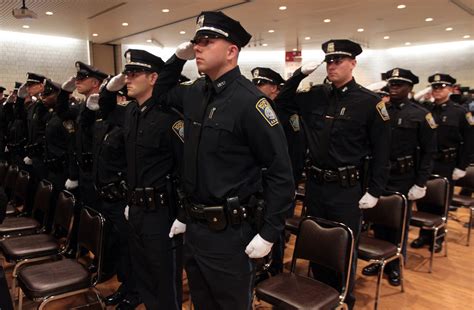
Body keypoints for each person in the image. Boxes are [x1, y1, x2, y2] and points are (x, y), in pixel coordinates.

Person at [154, 11, 294, 310]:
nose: (197, 48)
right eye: (196, 42)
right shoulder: (195, 93)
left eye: (206, 41)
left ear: (231, 51)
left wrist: (270, 232)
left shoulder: (251, 103)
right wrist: (177, 59)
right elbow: (160, 94)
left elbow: (280, 173)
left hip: (230, 233)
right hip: (194, 225)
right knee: (202, 303)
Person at [274, 39, 391, 309]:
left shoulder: (369, 102)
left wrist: (375, 190)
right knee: (316, 246)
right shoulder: (315, 96)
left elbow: (383, 151)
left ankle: (343, 299)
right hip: (315, 184)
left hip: (346, 188)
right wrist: (298, 75)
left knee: (343, 247)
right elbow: (282, 102)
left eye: (338, 60)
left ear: (353, 64)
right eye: (329, 60)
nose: (332, 65)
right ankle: (319, 297)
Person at [104, 49, 184, 309]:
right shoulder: (132, 113)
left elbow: (186, 170)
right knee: (144, 277)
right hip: (136, 208)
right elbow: (103, 108)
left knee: (163, 281)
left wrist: (183, 214)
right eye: (126, 73)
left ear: (153, 78)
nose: (128, 78)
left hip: (162, 212)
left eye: (134, 73)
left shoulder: (171, 119)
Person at [362, 68, 436, 286]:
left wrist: (421, 182)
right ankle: (379, 259)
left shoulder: (421, 114)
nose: (393, 88)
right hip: (380, 176)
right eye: (392, 84)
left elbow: (429, 151)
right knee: (378, 222)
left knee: (398, 225)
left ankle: (395, 265)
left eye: (399, 84)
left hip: (404, 176)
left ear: (410, 88)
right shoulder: (381, 111)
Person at [411, 73, 473, 252]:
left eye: (442, 87)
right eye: (435, 87)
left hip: (446, 163)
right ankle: (424, 235)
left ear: (451, 89)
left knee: (441, 203)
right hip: (426, 163)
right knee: (424, 201)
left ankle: (438, 237)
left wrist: (462, 166)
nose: (438, 90)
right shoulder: (425, 109)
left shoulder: (460, 112)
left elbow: (469, 141)